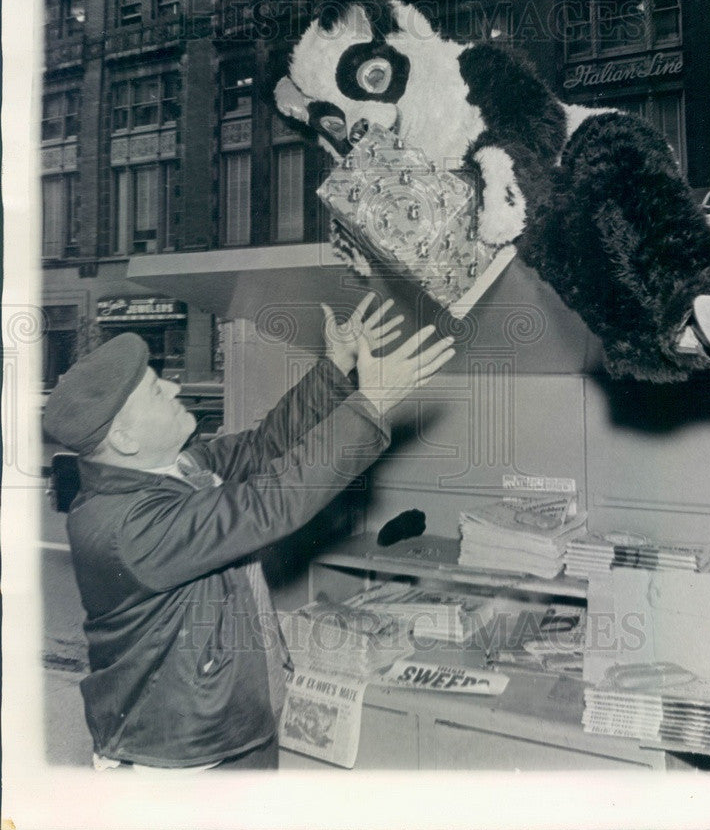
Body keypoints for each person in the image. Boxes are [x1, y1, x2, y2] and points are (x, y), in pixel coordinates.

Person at [42, 294, 455, 771]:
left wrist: (335, 366)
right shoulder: (124, 526)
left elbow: (266, 448)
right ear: (124, 440)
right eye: (157, 391)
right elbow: (269, 502)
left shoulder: (174, 470)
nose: (175, 389)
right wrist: (375, 402)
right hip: (178, 757)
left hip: (231, 727)